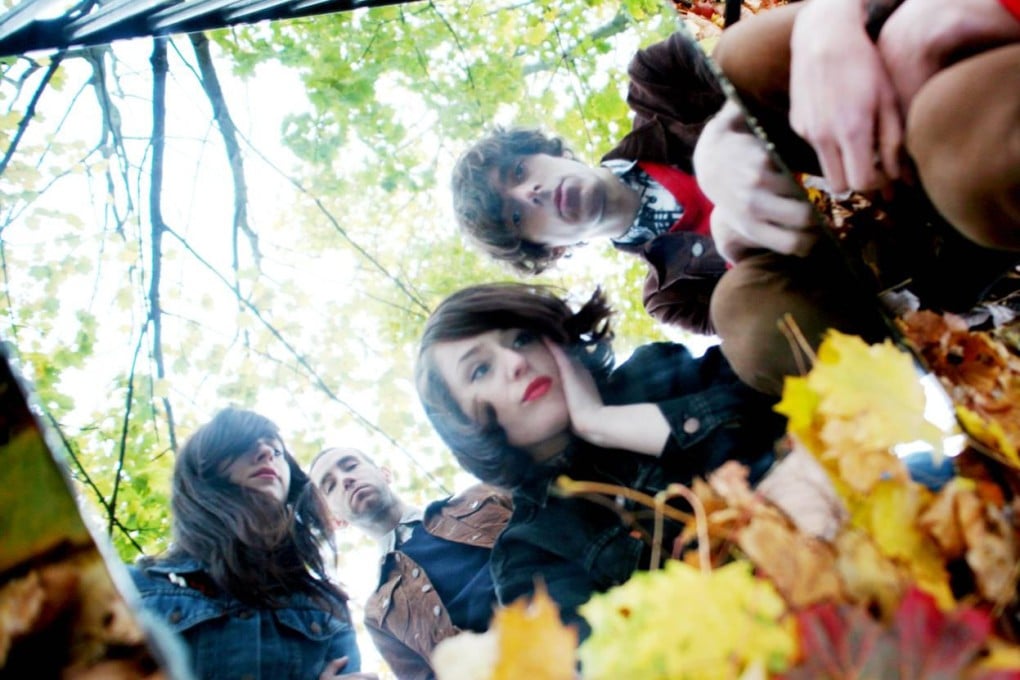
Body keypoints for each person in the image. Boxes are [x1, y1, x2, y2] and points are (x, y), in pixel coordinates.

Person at [414, 282, 785, 637]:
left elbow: (791, 401)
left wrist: (606, 423)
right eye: (480, 370)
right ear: (464, 424)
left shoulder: (654, 370)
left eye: (521, 338)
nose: (515, 362)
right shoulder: (529, 553)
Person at [693, 0, 1020, 394]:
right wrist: (728, 131)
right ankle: (935, 281)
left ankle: (962, 253)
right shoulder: (661, 293)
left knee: (962, 153)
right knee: (763, 328)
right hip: (865, 204)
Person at [451, 33, 732, 336]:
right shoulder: (674, 298)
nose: (530, 193)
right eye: (516, 216)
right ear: (552, 250)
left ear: (548, 151)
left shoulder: (659, 78)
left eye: (519, 171)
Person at [129, 408, 375, 680]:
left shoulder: (327, 610)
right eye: (244, 444)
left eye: (277, 450)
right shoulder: (133, 591)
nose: (267, 453)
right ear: (205, 468)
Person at [309, 447, 511, 680]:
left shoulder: (484, 498)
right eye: (330, 485)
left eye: (350, 466)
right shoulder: (379, 614)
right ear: (335, 520)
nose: (345, 479)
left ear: (385, 473)